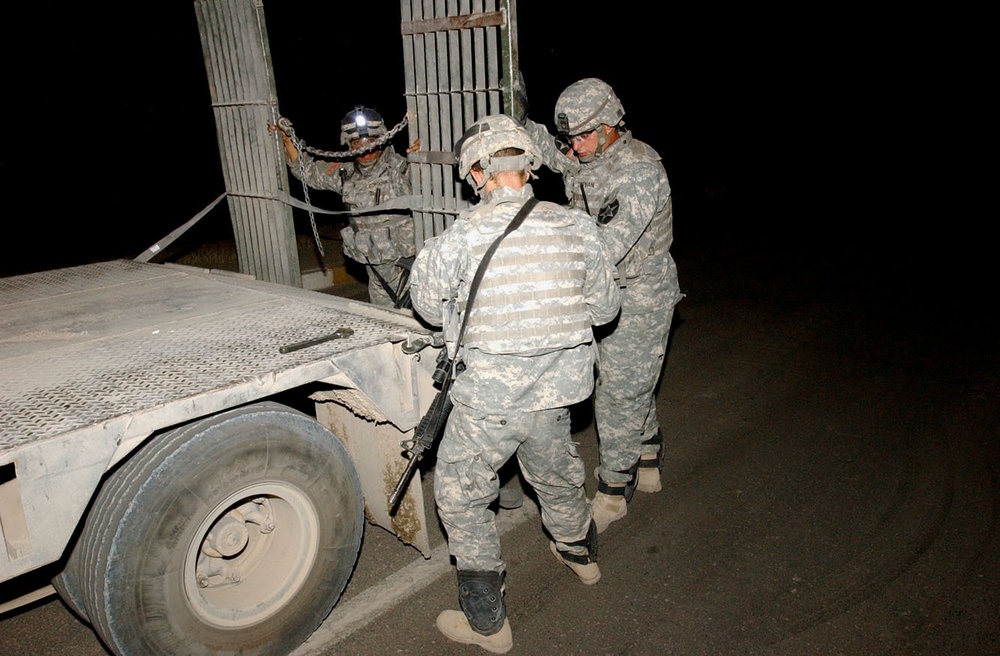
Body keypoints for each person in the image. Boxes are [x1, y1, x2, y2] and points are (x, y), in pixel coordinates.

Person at [409, 114, 621, 653]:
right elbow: (605, 309)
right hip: (556, 398)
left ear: (476, 173)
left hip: (487, 403)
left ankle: (488, 625)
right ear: (529, 165)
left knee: (460, 497)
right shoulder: (578, 228)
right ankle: (580, 556)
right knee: (555, 475)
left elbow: (429, 309)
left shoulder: (458, 237)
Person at [523, 78, 683, 533]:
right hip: (605, 292)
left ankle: (615, 490)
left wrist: (545, 252)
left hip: (641, 296)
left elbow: (607, 246)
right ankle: (649, 448)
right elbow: (556, 156)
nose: (574, 146)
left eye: (584, 136)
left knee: (618, 392)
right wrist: (520, 119)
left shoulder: (638, 172)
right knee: (628, 379)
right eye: (570, 137)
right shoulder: (590, 154)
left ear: (611, 126)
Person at [275, 105, 415, 308]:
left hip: (411, 269)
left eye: (371, 141)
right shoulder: (345, 174)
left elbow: (438, 181)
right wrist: (287, 139)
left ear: (383, 139)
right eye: (358, 142)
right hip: (377, 275)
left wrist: (425, 152)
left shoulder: (404, 169)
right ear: (348, 144)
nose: (365, 149)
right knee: (387, 323)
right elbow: (308, 171)